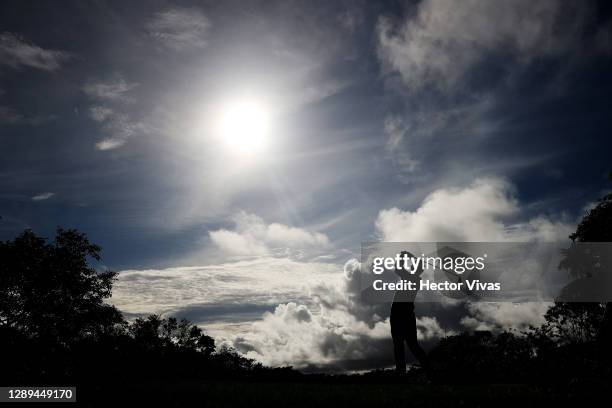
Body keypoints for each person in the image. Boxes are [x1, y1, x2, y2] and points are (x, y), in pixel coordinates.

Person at [390, 250, 429, 375]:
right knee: (410, 344)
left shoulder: (411, 278)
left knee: (401, 345)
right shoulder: (414, 279)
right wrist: (408, 256)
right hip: (405, 315)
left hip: (399, 315)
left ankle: (402, 372)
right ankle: (428, 368)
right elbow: (401, 269)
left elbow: (398, 268)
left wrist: (405, 256)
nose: (410, 268)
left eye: (412, 267)